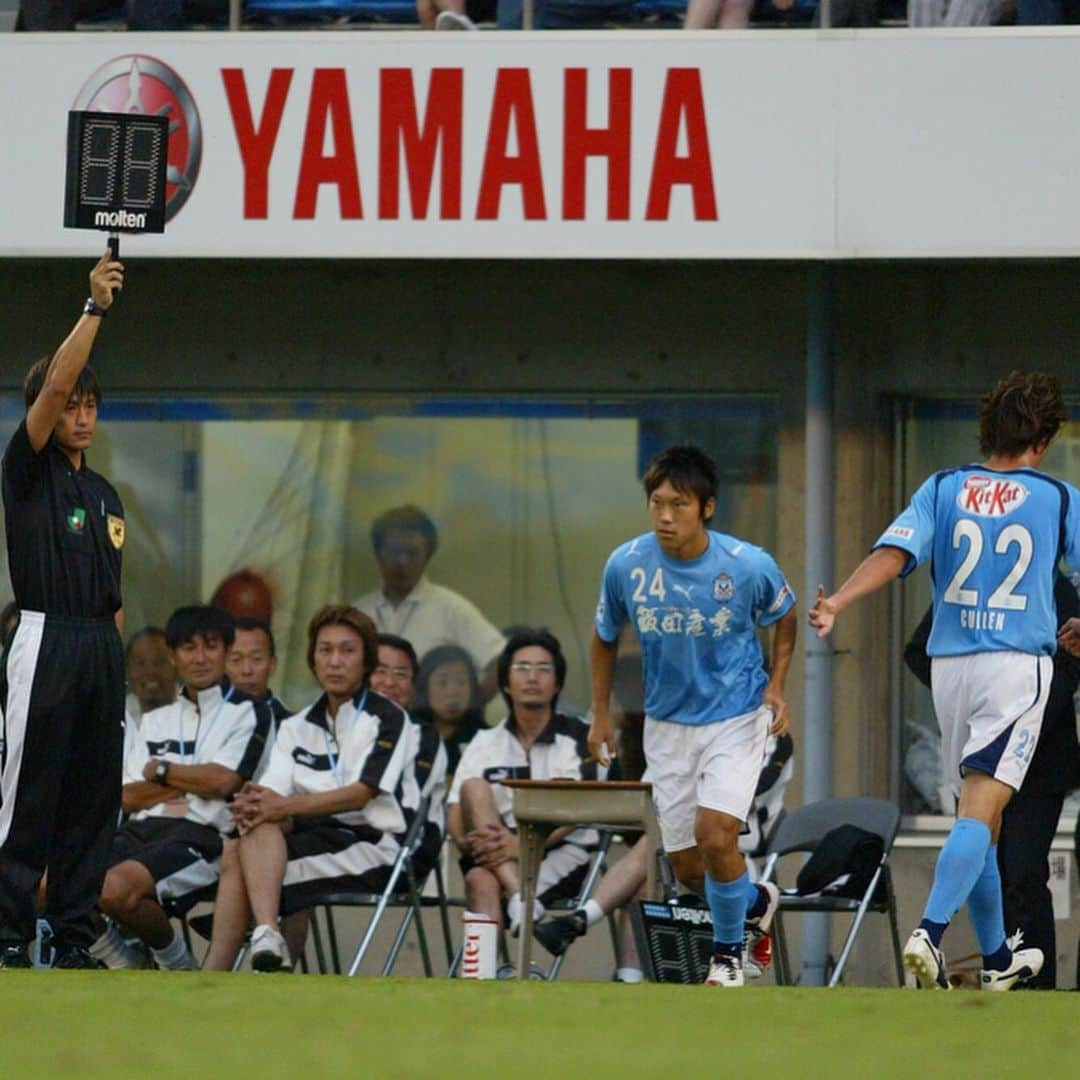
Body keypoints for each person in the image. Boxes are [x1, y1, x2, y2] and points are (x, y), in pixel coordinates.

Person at [809, 370, 1073, 991]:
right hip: (1016, 666)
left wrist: (840, 601)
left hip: (950, 666)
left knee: (974, 817)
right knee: (981, 813)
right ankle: (928, 930)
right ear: (1043, 439)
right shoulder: (1057, 497)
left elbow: (896, 554)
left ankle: (998, 959)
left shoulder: (943, 486)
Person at [587, 444, 794, 988]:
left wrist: (776, 687)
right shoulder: (626, 565)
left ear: (706, 508)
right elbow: (604, 636)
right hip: (667, 724)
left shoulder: (747, 565)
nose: (664, 516)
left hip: (736, 715)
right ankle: (754, 901)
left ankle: (727, 959)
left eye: (678, 504)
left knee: (716, 835)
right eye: (656, 502)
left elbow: (784, 616)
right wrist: (600, 715)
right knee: (685, 866)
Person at [0, 251, 126, 970]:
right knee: (30, 791)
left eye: (88, 404)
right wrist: (94, 308)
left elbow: (117, 591)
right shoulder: (25, 468)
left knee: (90, 797)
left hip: (98, 648)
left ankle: (75, 937)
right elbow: (51, 384)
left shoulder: (106, 493)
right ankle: (10, 932)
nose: (78, 413)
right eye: (68, 403)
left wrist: (118, 664)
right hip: (45, 637)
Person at [202, 605, 413, 972]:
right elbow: (271, 796)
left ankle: (223, 967)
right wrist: (255, 804)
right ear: (312, 660)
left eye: (346, 651)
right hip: (311, 837)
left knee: (247, 862)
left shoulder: (389, 718)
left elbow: (361, 793)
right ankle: (267, 938)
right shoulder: (296, 725)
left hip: (372, 844)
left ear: (366, 661)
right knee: (251, 834)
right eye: (324, 650)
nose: (334, 661)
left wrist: (282, 807)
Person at [906, 573, 1080, 990]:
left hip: (1039, 761)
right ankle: (995, 961)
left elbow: (1071, 660)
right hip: (985, 750)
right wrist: (977, 703)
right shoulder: (970, 583)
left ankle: (1031, 985)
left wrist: (1024, 713)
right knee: (987, 846)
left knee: (1022, 871)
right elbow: (918, 650)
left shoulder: (1051, 586)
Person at [92, 605, 273, 970]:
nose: (200, 658)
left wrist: (160, 770)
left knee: (112, 890)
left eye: (210, 646)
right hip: (139, 829)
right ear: (173, 656)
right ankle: (120, 960)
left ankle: (175, 963)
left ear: (225, 651)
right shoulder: (155, 719)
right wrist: (193, 781)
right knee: (52, 884)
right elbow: (128, 794)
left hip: (204, 836)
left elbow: (225, 782)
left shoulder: (251, 712)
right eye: (189, 648)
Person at [447, 629, 607, 952]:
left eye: (543, 669)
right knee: (474, 792)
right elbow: (455, 811)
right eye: (521, 668)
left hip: (561, 852)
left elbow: (581, 807)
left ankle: (516, 906)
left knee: (484, 880)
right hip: (495, 852)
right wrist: (470, 843)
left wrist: (522, 845)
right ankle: (487, 980)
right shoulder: (484, 742)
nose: (532, 677)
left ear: (558, 683)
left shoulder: (581, 737)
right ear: (506, 682)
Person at [353, 504, 505, 704]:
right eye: (393, 551)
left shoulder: (451, 608)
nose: (402, 561)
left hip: (430, 728)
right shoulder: (357, 612)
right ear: (378, 554)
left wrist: (469, 710)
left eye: (412, 553)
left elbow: (503, 661)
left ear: (427, 557)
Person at [412, 644, 487, 776]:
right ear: (424, 688)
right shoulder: (410, 734)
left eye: (461, 682)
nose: (453, 692)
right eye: (442, 682)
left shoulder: (486, 739)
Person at [226, 617, 292, 728]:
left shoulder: (289, 726)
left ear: (272, 665)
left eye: (256, 659)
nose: (247, 670)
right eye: (236, 660)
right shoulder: (207, 718)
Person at [370, 633, 419, 709]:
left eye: (400, 674)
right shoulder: (346, 719)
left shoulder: (417, 721)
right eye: (380, 671)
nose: (389, 683)